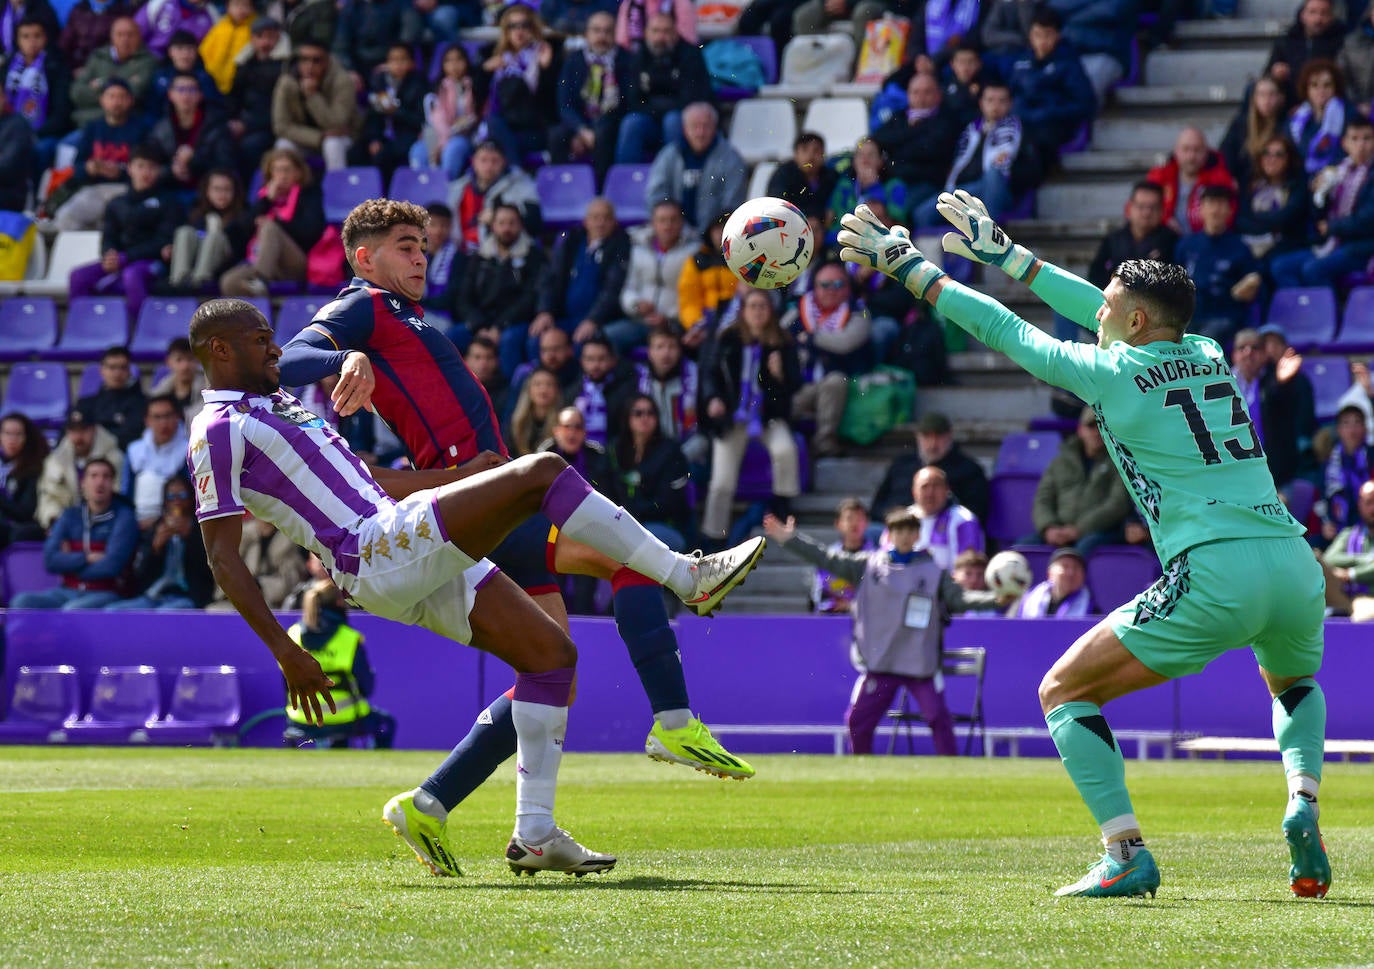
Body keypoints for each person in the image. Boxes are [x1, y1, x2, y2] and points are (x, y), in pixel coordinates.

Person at [836, 193, 1330, 899]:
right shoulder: (1209, 351)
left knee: (1064, 690)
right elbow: (1099, 306)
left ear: (1133, 322)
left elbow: (1008, 330)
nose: (1096, 309)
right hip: (1291, 562)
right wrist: (1007, 253)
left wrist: (916, 270)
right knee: (1293, 683)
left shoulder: (1112, 374)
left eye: (1110, 304)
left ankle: (1124, 850)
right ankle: (1302, 801)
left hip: (1213, 569)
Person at [274, 200, 766, 869]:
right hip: (481, 508)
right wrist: (349, 355)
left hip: (481, 503)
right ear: (365, 258)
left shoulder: (407, 318)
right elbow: (292, 353)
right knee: (628, 563)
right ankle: (678, 683)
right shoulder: (364, 307)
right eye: (404, 245)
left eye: (424, 244)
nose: (421, 255)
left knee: (551, 669)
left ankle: (447, 806)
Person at [764, 507, 1005, 755]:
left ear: (917, 535)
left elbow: (961, 599)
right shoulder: (868, 565)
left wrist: (995, 599)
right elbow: (826, 558)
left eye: (909, 531)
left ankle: (952, 768)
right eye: (898, 530)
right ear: (889, 534)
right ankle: (862, 769)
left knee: (937, 717)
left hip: (919, 664)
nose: (903, 536)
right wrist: (790, 540)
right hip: (882, 662)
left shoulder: (933, 571)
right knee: (858, 721)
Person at [698, 288, 802, 542]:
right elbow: (710, 374)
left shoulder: (783, 342)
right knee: (721, 482)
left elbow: (795, 386)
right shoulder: (727, 338)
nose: (757, 312)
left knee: (785, 450)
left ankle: (781, 506)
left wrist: (779, 375)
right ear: (743, 311)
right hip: (733, 417)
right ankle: (713, 535)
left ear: (771, 311)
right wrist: (714, 399)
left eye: (762, 306)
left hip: (768, 417)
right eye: (752, 306)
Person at [66, 144, 184, 316]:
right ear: (129, 168)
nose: (146, 172)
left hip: (154, 262)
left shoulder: (169, 203)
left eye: (152, 167)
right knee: (78, 276)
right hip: (121, 260)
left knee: (132, 275)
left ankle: (142, 329)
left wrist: (126, 257)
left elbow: (163, 241)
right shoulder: (116, 203)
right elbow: (109, 237)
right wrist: (109, 254)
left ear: (159, 171)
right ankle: (83, 327)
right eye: (141, 166)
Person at [283, 577, 396, 747]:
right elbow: (367, 688)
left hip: (300, 719)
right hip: (347, 719)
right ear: (339, 602)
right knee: (386, 723)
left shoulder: (292, 635)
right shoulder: (349, 638)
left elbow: (286, 684)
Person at [12, 458, 138, 610]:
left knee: (72, 610)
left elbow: (111, 566)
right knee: (21, 602)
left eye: (106, 477)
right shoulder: (69, 516)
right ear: (83, 483)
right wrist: (87, 558)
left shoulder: (124, 517)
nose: (100, 482)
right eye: (94, 476)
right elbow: (50, 560)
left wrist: (69, 563)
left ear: (113, 483)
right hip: (67, 591)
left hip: (105, 592)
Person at [1271, 118, 1374, 288]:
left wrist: (1333, 227)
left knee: (1313, 270)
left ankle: (1332, 313)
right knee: (1280, 267)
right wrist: (1319, 194)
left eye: (1367, 138)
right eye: (1354, 139)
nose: (1361, 145)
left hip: (1362, 246)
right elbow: (1318, 215)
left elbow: (1368, 219)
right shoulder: (1338, 171)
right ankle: (1302, 310)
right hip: (1332, 244)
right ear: (1344, 144)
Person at [785, 260, 874, 457]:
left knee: (835, 382)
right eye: (824, 285)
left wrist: (811, 338)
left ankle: (824, 442)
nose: (831, 290)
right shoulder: (797, 312)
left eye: (838, 284)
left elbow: (845, 343)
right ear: (814, 286)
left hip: (843, 390)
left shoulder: (859, 312)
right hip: (801, 387)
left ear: (848, 287)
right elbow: (778, 338)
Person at [218, 146, 326, 297]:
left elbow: (310, 232)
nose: (282, 176)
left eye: (287, 170)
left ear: (298, 172)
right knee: (228, 282)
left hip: (294, 262)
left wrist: (278, 222)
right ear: (270, 174)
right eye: (277, 170)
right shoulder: (264, 198)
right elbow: (239, 231)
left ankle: (261, 280)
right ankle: (258, 305)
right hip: (261, 261)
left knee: (269, 226)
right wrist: (267, 201)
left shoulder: (309, 194)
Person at [456, 201, 547, 378]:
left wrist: (500, 326)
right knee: (450, 337)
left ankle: (509, 398)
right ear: (493, 226)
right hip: (482, 323)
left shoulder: (533, 256)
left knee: (509, 341)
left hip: (515, 323)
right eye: (501, 223)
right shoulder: (480, 257)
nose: (506, 228)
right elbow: (464, 297)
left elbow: (530, 298)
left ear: (520, 225)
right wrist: (479, 325)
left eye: (512, 223)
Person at [530, 198, 631, 355]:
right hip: (565, 318)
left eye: (606, 218)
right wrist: (545, 311)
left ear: (614, 222)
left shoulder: (621, 247)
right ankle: (541, 380)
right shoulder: (571, 242)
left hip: (600, 320)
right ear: (586, 221)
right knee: (536, 340)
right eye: (595, 218)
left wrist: (593, 320)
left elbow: (612, 289)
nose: (601, 223)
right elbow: (551, 279)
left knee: (584, 345)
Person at [1031, 406, 1135, 554]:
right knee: (1024, 546)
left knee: (1084, 548)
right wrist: (1049, 528)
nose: (1096, 432)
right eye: (1091, 426)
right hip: (1058, 529)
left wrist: (1079, 529)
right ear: (1080, 430)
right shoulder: (1061, 461)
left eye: (1101, 426)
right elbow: (1043, 498)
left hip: (1101, 531)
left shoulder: (1120, 462)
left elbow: (1118, 504)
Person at [550, 11, 639, 183]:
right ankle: (560, 190)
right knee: (556, 135)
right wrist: (581, 131)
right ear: (587, 34)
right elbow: (564, 105)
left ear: (615, 34)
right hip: (581, 123)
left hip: (612, 123)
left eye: (607, 31)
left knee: (604, 134)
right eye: (596, 31)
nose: (602, 36)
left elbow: (630, 102)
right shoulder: (574, 61)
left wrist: (595, 131)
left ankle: (601, 191)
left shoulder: (627, 61)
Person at [53, 77, 148, 232]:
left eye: (122, 97)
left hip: (126, 189)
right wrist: (89, 168)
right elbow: (77, 167)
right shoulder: (93, 128)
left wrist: (121, 172)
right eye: (111, 96)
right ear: (102, 100)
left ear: (131, 100)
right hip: (94, 188)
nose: (116, 102)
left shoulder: (141, 129)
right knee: (66, 218)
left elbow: (148, 168)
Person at [108, 473, 215, 610]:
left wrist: (190, 538)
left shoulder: (202, 529)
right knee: (114, 611)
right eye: (171, 497)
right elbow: (139, 573)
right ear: (165, 501)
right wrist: (155, 548)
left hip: (187, 596)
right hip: (155, 594)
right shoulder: (157, 527)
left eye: (182, 496)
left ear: (191, 499)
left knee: (163, 613)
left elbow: (209, 572)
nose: (176, 501)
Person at [1174, 186, 1262, 346]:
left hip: (1225, 316)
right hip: (1189, 316)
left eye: (1221, 204)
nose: (1215, 210)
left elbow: (1252, 283)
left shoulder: (1240, 248)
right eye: (1210, 204)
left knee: (1205, 340)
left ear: (1229, 210)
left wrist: (1249, 285)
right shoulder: (1185, 246)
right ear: (1200, 209)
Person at [1230, 326, 1315, 492]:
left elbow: (1285, 404)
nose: (1248, 352)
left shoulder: (1275, 380)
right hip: (1236, 474)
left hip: (1276, 476)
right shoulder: (1221, 384)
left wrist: (1283, 384)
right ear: (1234, 355)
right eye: (1242, 348)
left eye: (1255, 348)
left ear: (1264, 355)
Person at [620, 13, 713, 164]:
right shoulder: (638, 58)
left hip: (679, 118)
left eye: (666, 31)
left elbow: (693, 98)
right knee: (631, 123)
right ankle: (626, 180)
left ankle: (674, 176)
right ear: (646, 33)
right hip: (648, 118)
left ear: (676, 33)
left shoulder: (690, 55)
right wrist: (659, 110)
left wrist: (658, 109)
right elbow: (632, 100)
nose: (660, 37)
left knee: (672, 121)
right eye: (655, 31)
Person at [1005, 8, 1095, 162]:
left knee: (1036, 142)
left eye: (1047, 35)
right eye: (1037, 35)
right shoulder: (1020, 62)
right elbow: (1010, 94)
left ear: (1058, 35)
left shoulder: (1069, 63)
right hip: (1023, 121)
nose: (1042, 41)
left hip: (1054, 124)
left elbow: (1084, 104)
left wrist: (1050, 111)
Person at [606, 394, 692, 551]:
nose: (644, 418)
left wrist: (634, 512)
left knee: (631, 544)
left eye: (650, 413)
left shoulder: (671, 452)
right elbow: (607, 490)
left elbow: (669, 502)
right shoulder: (614, 450)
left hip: (661, 524)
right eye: (638, 413)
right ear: (628, 417)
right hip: (619, 523)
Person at [645, 103, 746, 234]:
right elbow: (656, 195)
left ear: (715, 128)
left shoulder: (732, 159)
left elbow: (733, 203)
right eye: (695, 126)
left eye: (706, 126)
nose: (700, 133)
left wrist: (712, 230)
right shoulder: (668, 156)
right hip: (676, 237)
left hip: (714, 237)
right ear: (685, 129)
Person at [870, 411, 989, 524]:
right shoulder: (901, 465)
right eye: (927, 436)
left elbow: (975, 514)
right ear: (918, 437)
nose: (933, 444)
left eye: (938, 436)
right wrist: (898, 518)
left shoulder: (968, 470)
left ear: (949, 436)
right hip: (895, 530)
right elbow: (877, 507)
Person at [611, 200, 697, 355]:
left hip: (676, 323)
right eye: (662, 220)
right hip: (642, 321)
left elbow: (694, 295)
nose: (667, 225)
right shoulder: (639, 249)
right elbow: (629, 288)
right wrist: (636, 305)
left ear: (681, 223)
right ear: (653, 223)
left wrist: (668, 317)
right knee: (608, 338)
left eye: (673, 220)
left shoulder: (693, 252)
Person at [870, 72, 960, 215]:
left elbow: (927, 150)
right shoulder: (900, 116)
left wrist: (898, 144)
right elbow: (878, 138)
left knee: (891, 212)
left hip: (926, 184)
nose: (921, 98)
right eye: (916, 92)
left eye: (927, 92)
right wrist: (914, 132)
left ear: (938, 95)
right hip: (894, 181)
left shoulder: (947, 120)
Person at [481, 2, 558, 167]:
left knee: (494, 129)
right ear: (505, 31)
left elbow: (550, 104)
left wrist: (545, 69)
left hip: (533, 131)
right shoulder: (497, 59)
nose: (519, 31)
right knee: (493, 128)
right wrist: (484, 71)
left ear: (533, 28)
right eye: (513, 26)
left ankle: (515, 172)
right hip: (504, 129)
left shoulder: (545, 55)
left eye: (525, 25)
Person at [270, 41, 360, 172]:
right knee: (283, 145)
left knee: (332, 144)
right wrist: (319, 137)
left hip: (342, 138)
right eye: (304, 60)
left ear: (326, 61)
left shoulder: (342, 81)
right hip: (308, 138)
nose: (310, 66)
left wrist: (312, 96)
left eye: (316, 60)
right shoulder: (286, 83)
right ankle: (287, 190)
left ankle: (338, 187)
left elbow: (337, 124)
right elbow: (281, 126)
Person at [36, 406, 126, 529]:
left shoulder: (114, 458)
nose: (78, 437)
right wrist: (54, 520)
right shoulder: (55, 461)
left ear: (94, 429)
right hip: (65, 524)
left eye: (83, 430)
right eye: (73, 431)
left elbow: (118, 495)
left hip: (105, 523)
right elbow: (49, 497)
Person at [446, 139, 543, 252]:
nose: (489, 166)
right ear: (474, 162)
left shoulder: (521, 186)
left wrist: (498, 216)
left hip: (501, 254)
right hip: (460, 253)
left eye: (495, 161)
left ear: (504, 162)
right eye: (484, 160)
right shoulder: (457, 189)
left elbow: (535, 223)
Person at [352, 42, 426, 183]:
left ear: (411, 63)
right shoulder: (380, 82)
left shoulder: (418, 84)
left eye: (402, 59)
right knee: (355, 153)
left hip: (406, 135)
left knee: (384, 156)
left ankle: (386, 197)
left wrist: (396, 111)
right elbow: (373, 114)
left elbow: (419, 119)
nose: (397, 64)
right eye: (393, 60)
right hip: (383, 136)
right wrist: (374, 138)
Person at [225, 15, 287, 182]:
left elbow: (278, 107)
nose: (265, 42)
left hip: (270, 125)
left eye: (271, 37)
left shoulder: (285, 66)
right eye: (260, 36)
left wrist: (246, 124)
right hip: (246, 122)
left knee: (250, 147)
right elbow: (234, 97)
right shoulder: (244, 64)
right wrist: (232, 120)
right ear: (252, 39)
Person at [1235, 136, 1312, 265]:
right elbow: (1241, 220)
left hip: (1287, 246)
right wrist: (1269, 226)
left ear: (1289, 159)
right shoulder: (1251, 185)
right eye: (1267, 153)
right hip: (1251, 242)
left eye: (1279, 155)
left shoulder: (1298, 187)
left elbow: (1285, 218)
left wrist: (1256, 218)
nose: (1272, 159)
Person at [168, 169, 246, 293]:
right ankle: (179, 281)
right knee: (184, 232)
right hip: (194, 264)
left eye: (227, 189)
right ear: (207, 191)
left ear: (235, 192)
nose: (222, 194)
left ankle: (200, 283)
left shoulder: (243, 215)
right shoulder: (197, 214)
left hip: (224, 268)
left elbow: (238, 251)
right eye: (216, 189)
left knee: (214, 237)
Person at [69, 18, 156, 129]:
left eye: (130, 35)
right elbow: (77, 92)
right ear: (111, 37)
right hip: (87, 123)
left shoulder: (148, 62)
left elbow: (135, 93)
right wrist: (118, 90)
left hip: (125, 125)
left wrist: (100, 83)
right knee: (64, 145)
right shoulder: (98, 57)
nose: (125, 39)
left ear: (139, 37)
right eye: (120, 34)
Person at [412, 43, 480, 180]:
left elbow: (475, 117)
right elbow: (437, 121)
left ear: (466, 61)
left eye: (458, 59)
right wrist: (440, 144)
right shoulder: (438, 89)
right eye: (448, 61)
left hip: (467, 137)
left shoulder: (476, 86)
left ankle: (445, 191)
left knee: (453, 149)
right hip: (441, 137)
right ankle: (423, 190)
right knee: (418, 150)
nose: (454, 65)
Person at [124, 393, 190, 530]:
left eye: (168, 416)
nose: (163, 423)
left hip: (174, 521)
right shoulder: (134, 450)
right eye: (157, 417)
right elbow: (126, 494)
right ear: (147, 421)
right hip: (136, 523)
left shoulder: (189, 450)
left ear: (177, 417)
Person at [1265, 0, 1345, 102]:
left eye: (1324, 13)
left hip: (1327, 103)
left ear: (1332, 17)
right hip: (1289, 104)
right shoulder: (1286, 41)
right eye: (1313, 12)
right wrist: (1275, 74)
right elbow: (1267, 75)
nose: (1318, 19)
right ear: (1302, 15)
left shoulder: (1341, 42)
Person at [566, 334, 635, 448]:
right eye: (590, 359)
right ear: (582, 361)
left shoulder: (626, 392)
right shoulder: (572, 393)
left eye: (601, 359)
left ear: (613, 360)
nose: (596, 365)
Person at [1218, 76, 1289, 188]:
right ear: (1254, 98)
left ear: (1280, 98)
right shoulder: (1240, 124)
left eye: (1271, 94)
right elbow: (1226, 155)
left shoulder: (1287, 126)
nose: (1267, 100)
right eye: (1261, 94)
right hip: (1243, 185)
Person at [1320, 404, 1374, 540]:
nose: (1352, 430)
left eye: (1357, 423)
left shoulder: (1371, 456)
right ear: (1338, 430)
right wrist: (1325, 525)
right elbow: (1322, 502)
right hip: (1339, 530)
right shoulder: (1329, 465)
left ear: (1365, 428)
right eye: (1346, 423)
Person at [810, 497, 872, 615]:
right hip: (834, 618)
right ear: (838, 524)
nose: (854, 524)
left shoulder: (878, 558)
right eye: (849, 519)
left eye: (859, 519)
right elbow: (817, 598)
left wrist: (852, 605)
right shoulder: (827, 558)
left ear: (867, 523)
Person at [77, 346, 146, 449]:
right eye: (112, 367)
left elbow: (132, 437)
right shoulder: (86, 404)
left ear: (129, 371)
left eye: (123, 368)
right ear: (102, 371)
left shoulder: (141, 404)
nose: (117, 373)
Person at [1323, 479, 1374, 620]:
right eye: (1369, 502)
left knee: (1363, 617)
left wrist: (1349, 574)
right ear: (1360, 505)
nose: (1372, 509)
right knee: (1315, 557)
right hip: (1345, 597)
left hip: (1369, 599)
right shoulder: (1348, 534)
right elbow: (1329, 559)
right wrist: (1366, 558)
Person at [1287, 58, 1347, 177]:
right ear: (1306, 89)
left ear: (1336, 88)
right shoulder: (1296, 119)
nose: (1321, 91)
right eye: (1314, 85)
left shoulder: (1349, 116)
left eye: (1327, 85)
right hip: (1301, 182)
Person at [766, 132, 838, 222]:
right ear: (796, 154)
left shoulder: (830, 176)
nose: (810, 156)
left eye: (816, 151)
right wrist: (815, 216)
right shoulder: (783, 174)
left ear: (823, 155)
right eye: (805, 150)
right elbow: (779, 205)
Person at [0, 411, 47, 549]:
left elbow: (26, 513)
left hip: (14, 527)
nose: (12, 439)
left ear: (27, 438)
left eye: (18, 434)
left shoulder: (34, 469)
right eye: (7, 433)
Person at [1014, 546, 1096, 617]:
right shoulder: (1028, 600)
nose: (1071, 573)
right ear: (1049, 573)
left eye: (1076, 567)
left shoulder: (1092, 610)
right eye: (1065, 566)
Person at [150, 337, 208, 425]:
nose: (185, 366)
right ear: (168, 362)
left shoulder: (208, 393)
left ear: (197, 360)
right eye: (179, 360)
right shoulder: (159, 394)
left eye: (190, 359)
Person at [506, 366, 562, 456]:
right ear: (529, 390)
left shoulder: (563, 423)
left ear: (556, 391)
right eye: (537, 384)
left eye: (549, 384)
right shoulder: (515, 423)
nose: (543, 390)